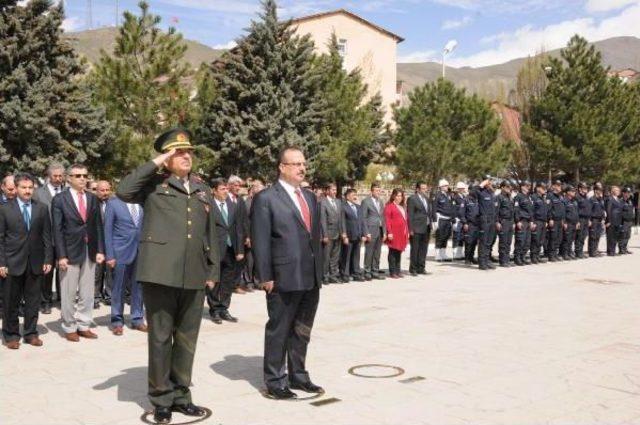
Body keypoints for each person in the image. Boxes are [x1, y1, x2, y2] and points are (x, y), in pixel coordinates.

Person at [117, 128, 219, 423]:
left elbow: (209, 232)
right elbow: (123, 190)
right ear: (167, 157)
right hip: (160, 274)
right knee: (161, 338)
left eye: (188, 151)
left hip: (194, 275)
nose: (186, 156)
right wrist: (158, 160)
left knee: (187, 339)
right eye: (178, 152)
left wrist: (212, 270)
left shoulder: (202, 189)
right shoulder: (152, 186)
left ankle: (181, 395)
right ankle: (161, 397)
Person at [251, 146, 324, 400]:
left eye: (304, 163)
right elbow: (260, 241)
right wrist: (265, 276)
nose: (302, 168)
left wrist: (319, 271)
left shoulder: (310, 197)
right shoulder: (266, 198)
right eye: (296, 164)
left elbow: (313, 237)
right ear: (282, 167)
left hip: (310, 276)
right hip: (283, 277)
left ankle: (299, 375)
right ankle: (274, 380)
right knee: (280, 329)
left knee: (302, 329)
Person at [52, 164, 105, 342]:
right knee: (68, 292)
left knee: (87, 292)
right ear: (69, 178)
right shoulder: (60, 199)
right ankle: (69, 326)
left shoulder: (92, 198)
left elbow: (98, 226)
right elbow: (57, 230)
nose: (82, 178)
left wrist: (100, 250)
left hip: (89, 251)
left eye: (85, 175)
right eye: (78, 175)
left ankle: (84, 325)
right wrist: (61, 255)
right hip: (69, 252)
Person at [0, 173, 53, 349]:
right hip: (12, 263)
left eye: (30, 187)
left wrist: (47, 258)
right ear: (16, 188)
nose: (28, 191)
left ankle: (31, 333)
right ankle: (11, 335)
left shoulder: (42, 208)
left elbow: (47, 236)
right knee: (10, 302)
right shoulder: (5, 209)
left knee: (33, 302)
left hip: (36, 262)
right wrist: (2, 263)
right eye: (24, 187)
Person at [103, 195, 146, 335]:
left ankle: (137, 319)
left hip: (140, 250)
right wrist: (109, 255)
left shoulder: (142, 202)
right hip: (120, 251)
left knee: (138, 286)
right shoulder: (114, 203)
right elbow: (107, 230)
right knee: (118, 287)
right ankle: (117, 321)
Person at [207, 178, 245, 324]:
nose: (226, 192)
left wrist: (239, 249)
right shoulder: (208, 206)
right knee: (214, 280)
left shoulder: (232, 205)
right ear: (214, 191)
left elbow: (238, 228)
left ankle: (224, 308)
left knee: (228, 281)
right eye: (222, 189)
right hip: (215, 248)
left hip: (231, 248)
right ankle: (214, 309)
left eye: (226, 189)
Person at [33, 162, 66, 314]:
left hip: (65, 239)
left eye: (60, 176)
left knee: (64, 270)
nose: (58, 178)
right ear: (49, 176)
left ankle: (62, 298)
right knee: (47, 271)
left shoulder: (67, 191)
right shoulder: (38, 193)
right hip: (45, 239)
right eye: (55, 176)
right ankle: (45, 300)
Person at [227, 175, 251, 294]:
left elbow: (245, 219)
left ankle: (235, 285)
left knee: (240, 262)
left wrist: (247, 236)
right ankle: (227, 284)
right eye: (235, 185)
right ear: (229, 186)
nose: (237, 188)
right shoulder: (225, 198)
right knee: (228, 262)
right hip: (228, 237)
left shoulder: (240, 200)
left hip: (240, 236)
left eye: (239, 185)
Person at [320, 183, 346, 284]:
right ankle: (325, 276)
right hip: (328, 234)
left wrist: (343, 232)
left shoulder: (339, 202)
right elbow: (322, 220)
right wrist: (325, 235)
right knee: (326, 256)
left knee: (335, 256)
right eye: (332, 190)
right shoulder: (323, 202)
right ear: (327, 191)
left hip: (338, 233)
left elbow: (342, 218)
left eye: (335, 190)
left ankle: (333, 275)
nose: (334, 192)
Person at [406, 181, 434, 275]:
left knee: (423, 249)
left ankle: (421, 268)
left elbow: (428, 212)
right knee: (415, 249)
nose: (424, 190)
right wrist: (411, 229)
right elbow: (410, 215)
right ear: (417, 189)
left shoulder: (426, 198)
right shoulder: (412, 199)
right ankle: (413, 269)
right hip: (416, 228)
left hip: (426, 227)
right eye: (422, 188)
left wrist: (431, 223)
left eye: (425, 188)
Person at [361, 183, 387, 280]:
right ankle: (367, 271)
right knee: (369, 252)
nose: (378, 192)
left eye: (379, 190)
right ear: (371, 191)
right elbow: (363, 218)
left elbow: (383, 217)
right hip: (370, 230)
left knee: (377, 252)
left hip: (379, 230)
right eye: (376, 190)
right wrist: (366, 232)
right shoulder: (366, 201)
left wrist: (384, 231)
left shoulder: (380, 202)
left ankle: (375, 271)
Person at [339, 188, 365, 282]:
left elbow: (362, 222)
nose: (355, 196)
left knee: (356, 256)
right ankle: (345, 274)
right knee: (346, 256)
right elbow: (342, 222)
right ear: (347, 196)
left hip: (357, 235)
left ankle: (356, 273)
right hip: (348, 236)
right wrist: (344, 235)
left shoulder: (358, 207)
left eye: (355, 194)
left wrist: (363, 234)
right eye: (353, 194)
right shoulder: (343, 207)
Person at [94, 180, 113, 308]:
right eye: (102, 190)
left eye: (107, 190)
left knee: (110, 271)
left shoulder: (114, 203)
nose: (105, 193)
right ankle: (95, 297)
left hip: (111, 242)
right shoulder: (92, 204)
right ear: (97, 191)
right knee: (97, 271)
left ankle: (109, 295)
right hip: (96, 243)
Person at [384, 188, 409, 278]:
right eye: (398, 195)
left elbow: (405, 220)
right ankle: (392, 271)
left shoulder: (403, 207)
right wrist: (389, 232)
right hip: (394, 233)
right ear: (394, 196)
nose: (399, 197)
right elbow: (387, 220)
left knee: (399, 252)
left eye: (401, 196)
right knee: (393, 252)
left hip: (401, 233)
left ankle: (398, 270)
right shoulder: (389, 206)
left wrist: (407, 231)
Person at [474, 177, 498, 270]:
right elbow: (473, 193)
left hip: (492, 220)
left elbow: (494, 209)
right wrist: (481, 184)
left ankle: (487, 260)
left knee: (489, 242)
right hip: (484, 220)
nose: (492, 185)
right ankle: (482, 262)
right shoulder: (481, 192)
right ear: (486, 184)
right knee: (483, 242)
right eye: (490, 183)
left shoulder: (492, 194)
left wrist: (496, 221)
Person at [513, 181, 534, 266]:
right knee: (520, 240)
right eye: (526, 186)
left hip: (528, 222)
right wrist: (517, 221)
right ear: (522, 187)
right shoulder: (518, 197)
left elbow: (531, 210)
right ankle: (517, 258)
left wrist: (532, 221)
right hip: (522, 221)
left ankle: (523, 257)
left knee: (527, 241)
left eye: (528, 186)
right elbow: (516, 210)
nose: (528, 187)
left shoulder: (528, 197)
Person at [434, 179, 455, 262]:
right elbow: (434, 208)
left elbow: (451, 207)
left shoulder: (448, 195)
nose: (447, 187)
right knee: (440, 237)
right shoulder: (437, 195)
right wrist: (435, 220)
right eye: (445, 185)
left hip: (448, 219)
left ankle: (443, 253)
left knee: (446, 236)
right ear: (441, 187)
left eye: (447, 185)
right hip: (441, 218)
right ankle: (438, 254)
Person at [496, 181, 515, 267]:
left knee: (508, 242)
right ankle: (502, 261)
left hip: (510, 222)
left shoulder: (510, 197)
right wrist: (497, 222)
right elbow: (496, 211)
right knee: (503, 242)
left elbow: (513, 211)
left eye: (509, 187)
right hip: (503, 221)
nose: (509, 188)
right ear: (502, 187)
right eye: (507, 187)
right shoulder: (499, 197)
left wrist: (514, 222)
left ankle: (507, 259)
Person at [546, 180, 566, 262]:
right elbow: (548, 209)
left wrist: (562, 219)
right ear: (553, 186)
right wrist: (550, 218)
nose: (559, 187)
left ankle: (555, 254)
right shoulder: (550, 196)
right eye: (557, 185)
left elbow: (562, 209)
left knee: (559, 238)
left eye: (560, 185)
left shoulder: (560, 197)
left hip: (559, 221)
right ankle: (551, 255)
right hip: (553, 220)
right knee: (553, 238)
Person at [461, 185, 480, 265]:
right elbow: (461, 213)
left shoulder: (478, 200)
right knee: (469, 242)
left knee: (474, 242)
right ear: (470, 191)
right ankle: (467, 259)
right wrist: (465, 223)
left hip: (477, 224)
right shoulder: (465, 200)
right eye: (475, 190)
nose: (477, 192)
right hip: (469, 224)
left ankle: (471, 257)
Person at [530, 182, 548, 264]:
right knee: (535, 240)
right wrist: (532, 222)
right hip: (537, 221)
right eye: (542, 188)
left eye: (545, 188)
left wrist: (546, 220)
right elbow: (532, 211)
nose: (544, 189)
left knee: (541, 240)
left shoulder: (543, 198)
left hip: (543, 222)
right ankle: (533, 256)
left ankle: (537, 255)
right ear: (538, 188)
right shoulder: (533, 197)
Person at [560, 185, 579, 260]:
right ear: (567, 192)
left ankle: (569, 252)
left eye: (574, 191)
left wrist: (577, 222)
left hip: (574, 223)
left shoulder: (574, 201)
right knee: (566, 239)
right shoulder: (564, 201)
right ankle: (565, 254)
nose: (574, 192)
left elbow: (576, 212)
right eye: (572, 191)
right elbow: (563, 212)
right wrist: (564, 222)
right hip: (568, 222)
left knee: (571, 239)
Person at [605, 185, 624, 256]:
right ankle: (610, 251)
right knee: (610, 236)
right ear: (613, 191)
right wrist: (608, 221)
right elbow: (608, 210)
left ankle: (613, 250)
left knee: (615, 236)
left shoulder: (618, 199)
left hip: (617, 221)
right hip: (612, 220)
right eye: (617, 190)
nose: (618, 191)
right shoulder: (610, 199)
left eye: (618, 190)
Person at [575, 182, 592, 259]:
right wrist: (577, 221)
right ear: (580, 189)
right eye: (584, 188)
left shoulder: (586, 197)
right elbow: (576, 210)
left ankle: (581, 251)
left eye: (586, 188)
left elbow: (588, 209)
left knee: (583, 236)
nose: (586, 190)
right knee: (579, 236)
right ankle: (578, 252)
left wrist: (589, 219)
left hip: (586, 219)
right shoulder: (577, 197)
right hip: (580, 219)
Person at [589, 183, 606, 257]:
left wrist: (603, 218)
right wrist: (589, 220)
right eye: (599, 190)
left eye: (601, 190)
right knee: (593, 236)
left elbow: (602, 209)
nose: (600, 191)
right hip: (593, 220)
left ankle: (595, 250)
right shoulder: (592, 199)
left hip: (599, 220)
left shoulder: (600, 199)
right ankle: (592, 252)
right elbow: (589, 210)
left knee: (598, 236)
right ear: (595, 190)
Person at [451, 182, 467, 260]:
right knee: (456, 236)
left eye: (463, 188)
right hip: (457, 219)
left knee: (462, 237)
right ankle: (455, 253)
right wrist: (454, 219)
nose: (462, 190)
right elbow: (453, 209)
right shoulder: (455, 198)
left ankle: (460, 253)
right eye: (461, 188)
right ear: (458, 189)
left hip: (463, 220)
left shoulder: (464, 197)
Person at [619, 187, 634, 254]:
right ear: (623, 193)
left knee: (628, 235)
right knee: (623, 235)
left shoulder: (630, 201)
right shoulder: (621, 201)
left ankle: (625, 248)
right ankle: (621, 249)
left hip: (629, 221)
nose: (628, 194)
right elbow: (619, 212)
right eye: (627, 193)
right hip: (623, 221)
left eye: (629, 193)